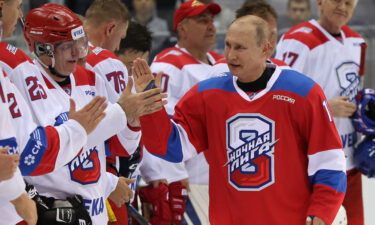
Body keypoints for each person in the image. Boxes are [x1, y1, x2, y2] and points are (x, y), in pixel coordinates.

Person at [133, 15, 347, 225]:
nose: (230, 55)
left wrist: (322, 211)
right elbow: (171, 148)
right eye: (227, 45)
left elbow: (330, 160)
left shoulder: (303, 93)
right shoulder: (207, 94)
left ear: (266, 48)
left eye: (240, 48)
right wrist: (152, 113)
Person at [19, 3, 166, 225]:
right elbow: (37, 157)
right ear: (42, 48)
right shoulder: (23, 84)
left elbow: (119, 147)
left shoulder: (89, 78)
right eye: (67, 46)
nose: (78, 53)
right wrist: (120, 113)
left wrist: (133, 121)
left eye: (80, 43)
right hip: (55, 213)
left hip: (95, 213)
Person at [275, 0, 365, 224]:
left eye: (349, 3)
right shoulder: (297, 40)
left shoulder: (357, 41)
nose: (343, 7)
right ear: (320, 2)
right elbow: (278, 98)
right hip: (313, 166)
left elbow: (356, 92)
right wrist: (325, 107)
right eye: (337, 0)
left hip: (349, 162)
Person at [145, 1, 223, 224]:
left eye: (211, 20)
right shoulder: (167, 65)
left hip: (221, 178)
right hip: (191, 180)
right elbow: (162, 125)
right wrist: (174, 176)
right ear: (182, 28)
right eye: (202, 20)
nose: (211, 26)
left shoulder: (221, 63)